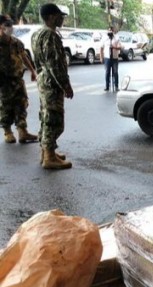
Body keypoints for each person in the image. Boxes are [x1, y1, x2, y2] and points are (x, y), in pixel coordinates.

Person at [31, 3, 73, 169]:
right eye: (58, 15)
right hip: (52, 83)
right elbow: (54, 64)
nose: (61, 18)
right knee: (54, 119)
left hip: (44, 81)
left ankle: (47, 152)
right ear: (50, 17)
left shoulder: (37, 34)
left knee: (46, 116)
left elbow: (39, 63)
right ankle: (49, 158)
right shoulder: (50, 35)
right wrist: (65, 86)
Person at [0, 14, 38, 144]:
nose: (10, 28)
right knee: (6, 106)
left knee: (21, 104)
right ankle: (8, 132)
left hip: (17, 79)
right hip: (3, 82)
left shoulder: (16, 42)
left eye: (11, 25)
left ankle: (23, 131)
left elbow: (24, 56)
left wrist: (32, 70)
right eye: (7, 25)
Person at [100, 26, 121, 91]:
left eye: (111, 30)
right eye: (109, 30)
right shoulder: (104, 38)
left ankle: (116, 86)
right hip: (107, 58)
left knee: (115, 72)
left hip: (115, 58)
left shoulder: (116, 38)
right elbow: (101, 48)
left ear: (113, 31)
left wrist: (114, 47)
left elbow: (120, 47)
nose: (110, 32)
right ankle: (107, 86)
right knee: (107, 72)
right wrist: (101, 57)